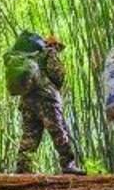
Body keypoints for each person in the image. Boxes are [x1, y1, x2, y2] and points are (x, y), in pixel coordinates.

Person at [15, 34, 85, 175]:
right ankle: (67, 164)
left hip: (27, 100)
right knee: (58, 130)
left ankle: (23, 168)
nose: (58, 50)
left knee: (29, 135)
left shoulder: (29, 57)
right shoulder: (49, 52)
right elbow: (57, 75)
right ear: (54, 45)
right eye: (58, 46)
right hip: (46, 98)